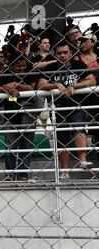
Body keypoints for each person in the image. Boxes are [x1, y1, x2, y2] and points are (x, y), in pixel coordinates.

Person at [38, 41, 97, 180]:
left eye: (65, 53)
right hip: (58, 108)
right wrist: (55, 85)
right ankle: (65, 173)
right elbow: (40, 85)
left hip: (76, 104)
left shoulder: (78, 65)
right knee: (61, 139)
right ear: (55, 55)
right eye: (59, 53)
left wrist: (74, 86)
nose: (62, 55)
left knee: (79, 128)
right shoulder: (51, 67)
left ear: (71, 53)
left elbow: (92, 81)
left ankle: (82, 161)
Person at [0, 53, 39, 181]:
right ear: (11, 66)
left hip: (29, 113)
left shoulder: (30, 73)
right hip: (11, 114)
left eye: (23, 65)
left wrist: (16, 84)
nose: (22, 68)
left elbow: (32, 89)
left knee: (27, 145)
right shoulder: (5, 75)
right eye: (18, 66)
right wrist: (5, 88)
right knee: (10, 145)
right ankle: (9, 173)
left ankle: (23, 172)